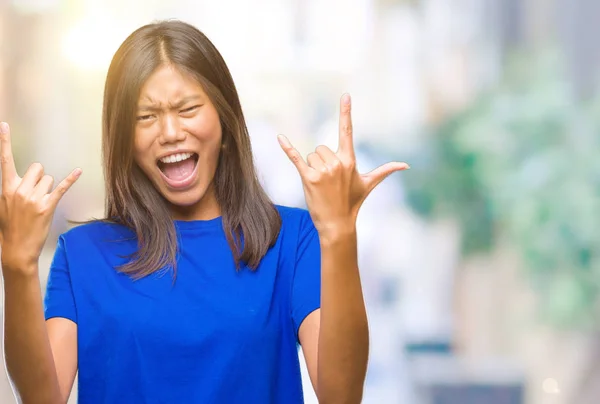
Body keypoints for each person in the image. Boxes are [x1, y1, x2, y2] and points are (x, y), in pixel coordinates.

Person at [0, 20, 408, 404]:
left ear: (225, 120)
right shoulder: (82, 254)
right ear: (124, 137)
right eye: (147, 116)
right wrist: (17, 264)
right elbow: (41, 399)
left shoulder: (291, 238)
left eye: (188, 108)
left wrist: (339, 233)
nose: (171, 132)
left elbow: (341, 395)